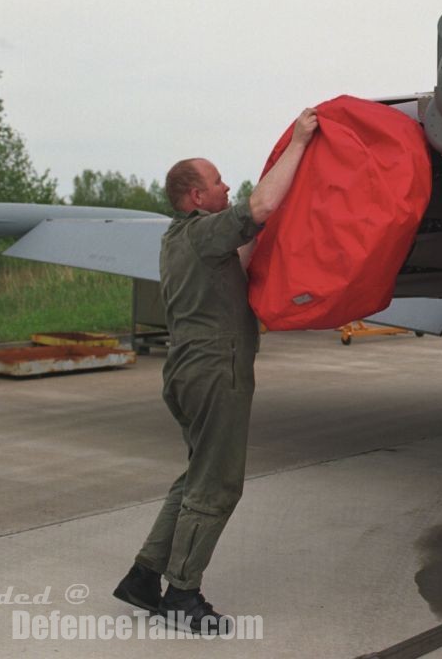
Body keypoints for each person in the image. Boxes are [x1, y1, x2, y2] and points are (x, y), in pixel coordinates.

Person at [113, 107, 319, 632]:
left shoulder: (176, 240)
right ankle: (183, 597)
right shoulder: (203, 233)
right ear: (195, 198)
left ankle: (143, 576)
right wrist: (298, 142)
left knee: (194, 477)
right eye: (218, 181)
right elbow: (262, 204)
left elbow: (245, 250)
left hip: (185, 372)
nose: (228, 186)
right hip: (215, 368)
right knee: (219, 484)